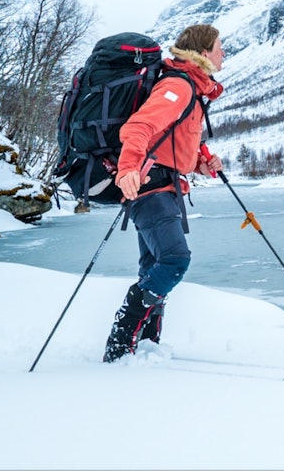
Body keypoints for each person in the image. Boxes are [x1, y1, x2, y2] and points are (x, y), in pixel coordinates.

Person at [102, 24, 225, 363]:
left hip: (166, 185)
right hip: (150, 186)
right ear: (203, 53)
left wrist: (201, 162)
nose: (223, 53)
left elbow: (175, 140)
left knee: (155, 265)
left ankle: (145, 344)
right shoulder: (178, 87)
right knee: (174, 261)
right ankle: (121, 339)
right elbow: (140, 127)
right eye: (219, 47)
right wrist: (127, 168)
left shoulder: (193, 91)